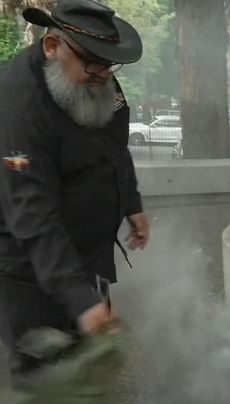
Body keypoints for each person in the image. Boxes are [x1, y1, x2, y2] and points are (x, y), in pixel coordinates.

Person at [0, 0, 148, 384]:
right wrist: (81, 298)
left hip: (88, 254)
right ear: (52, 47)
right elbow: (31, 213)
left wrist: (130, 202)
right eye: (93, 64)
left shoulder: (97, 75)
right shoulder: (18, 105)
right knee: (44, 378)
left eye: (109, 64)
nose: (104, 75)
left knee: (88, 366)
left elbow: (113, 145)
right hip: (28, 266)